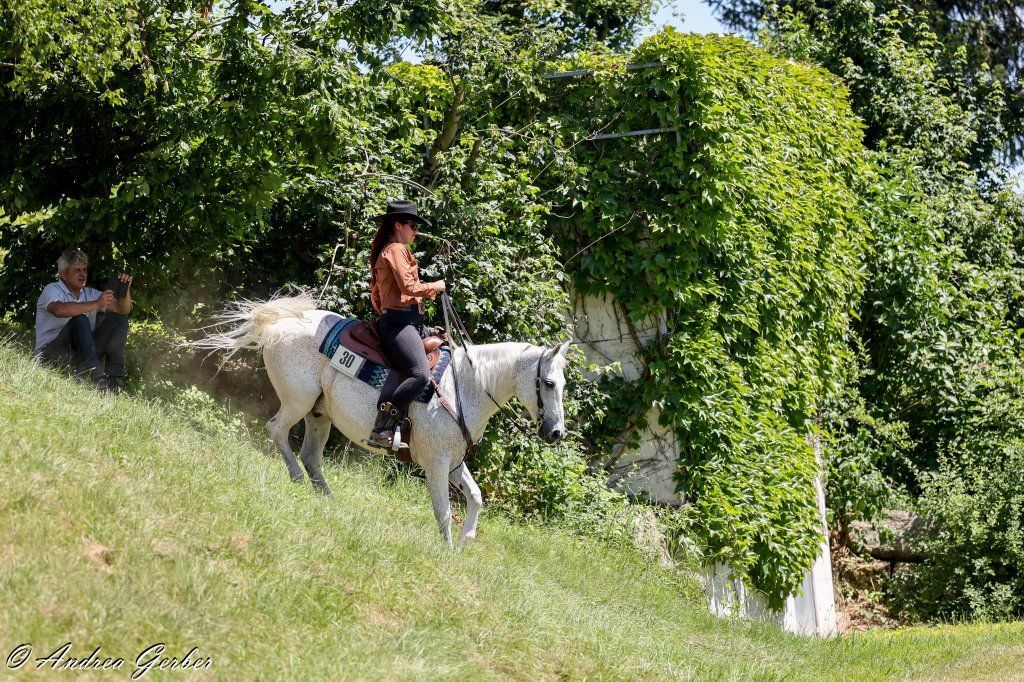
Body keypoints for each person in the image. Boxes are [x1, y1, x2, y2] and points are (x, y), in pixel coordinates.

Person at [366, 200, 446, 449]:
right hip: (399, 325)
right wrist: (436, 286)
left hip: (406, 321)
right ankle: (382, 429)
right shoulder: (395, 250)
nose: (415, 231)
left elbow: (378, 295)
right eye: (412, 226)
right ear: (399, 225)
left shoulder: (393, 250)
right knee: (420, 375)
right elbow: (409, 287)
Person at [34, 249, 133, 392]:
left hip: (81, 357)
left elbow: (122, 309)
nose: (83, 274)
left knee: (119, 320)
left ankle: (113, 380)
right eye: (77, 270)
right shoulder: (52, 289)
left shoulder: (90, 293)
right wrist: (96, 304)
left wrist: (125, 289)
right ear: (64, 275)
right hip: (52, 356)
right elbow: (59, 309)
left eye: (84, 270)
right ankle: (98, 379)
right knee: (80, 319)